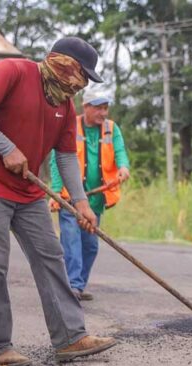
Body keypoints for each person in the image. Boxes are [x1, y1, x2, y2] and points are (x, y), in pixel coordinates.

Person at [0, 36, 118, 366]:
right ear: (62, 63)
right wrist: (5, 147)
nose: (81, 83)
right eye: (81, 74)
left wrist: (81, 202)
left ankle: (70, 337)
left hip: (28, 192)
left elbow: (67, 156)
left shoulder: (64, 105)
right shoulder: (12, 71)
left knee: (50, 257)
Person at [49, 91, 130, 301]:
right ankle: (73, 286)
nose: (103, 113)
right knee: (71, 242)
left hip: (95, 199)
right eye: (98, 108)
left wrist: (123, 167)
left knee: (90, 245)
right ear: (85, 106)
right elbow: (56, 159)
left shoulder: (112, 129)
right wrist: (57, 190)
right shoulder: (70, 125)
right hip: (70, 198)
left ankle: (78, 285)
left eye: (106, 108)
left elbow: (120, 151)